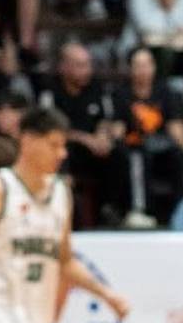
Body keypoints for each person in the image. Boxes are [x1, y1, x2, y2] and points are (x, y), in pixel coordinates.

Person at [0, 107, 130, 323]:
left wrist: (107, 295)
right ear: (27, 141)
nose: (62, 153)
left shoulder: (60, 196)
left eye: (63, 145)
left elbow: (65, 262)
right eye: (54, 144)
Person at [38, 43, 126, 228]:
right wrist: (85, 139)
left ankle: (111, 209)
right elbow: (47, 129)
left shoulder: (98, 88)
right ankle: (61, 209)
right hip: (68, 150)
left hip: (94, 152)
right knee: (61, 151)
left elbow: (107, 118)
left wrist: (103, 136)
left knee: (119, 151)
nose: (86, 70)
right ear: (64, 67)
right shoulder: (50, 92)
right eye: (79, 65)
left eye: (88, 64)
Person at [110, 46, 183, 227]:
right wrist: (113, 135)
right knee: (136, 156)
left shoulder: (165, 91)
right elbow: (117, 127)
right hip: (134, 147)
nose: (143, 70)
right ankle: (140, 211)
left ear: (154, 67)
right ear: (130, 69)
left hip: (161, 145)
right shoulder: (121, 94)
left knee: (179, 156)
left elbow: (175, 126)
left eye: (147, 64)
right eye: (138, 65)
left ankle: (179, 210)